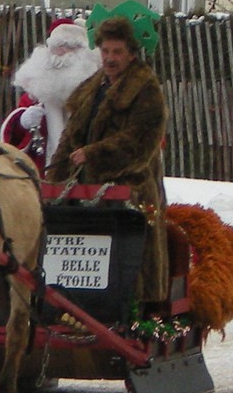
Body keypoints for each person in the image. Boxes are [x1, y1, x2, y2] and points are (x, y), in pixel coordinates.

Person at [47, 17, 168, 303]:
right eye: (105, 51)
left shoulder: (146, 91)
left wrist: (94, 153)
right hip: (84, 188)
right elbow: (71, 135)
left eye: (117, 52)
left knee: (127, 260)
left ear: (131, 54)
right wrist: (55, 175)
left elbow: (140, 141)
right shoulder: (93, 87)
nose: (110, 58)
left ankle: (133, 305)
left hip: (132, 185)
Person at [0, 18, 101, 175]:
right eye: (55, 48)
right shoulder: (37, 93)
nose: (59, 54)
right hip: (40, 178)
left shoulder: (98, 95)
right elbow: (13, 140)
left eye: (67, 47)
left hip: (86, 179)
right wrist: (22, 121)